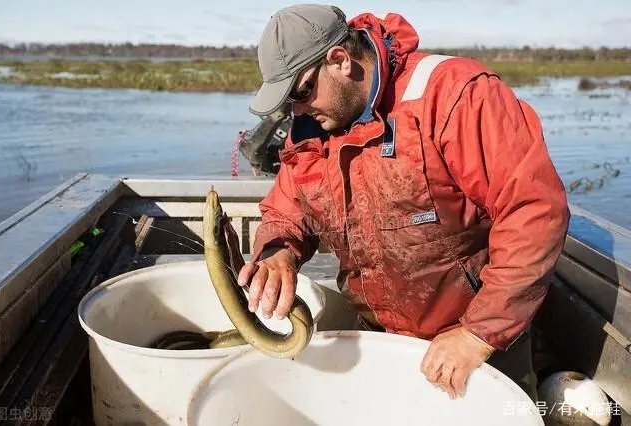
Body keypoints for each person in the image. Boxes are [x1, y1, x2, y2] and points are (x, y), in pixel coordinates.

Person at [238, 4, 570, 402]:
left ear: (340, 60)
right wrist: (279, 253)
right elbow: (286, 210)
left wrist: (476, 334)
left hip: (479, 345)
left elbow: (533, 211)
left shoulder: (454, 95)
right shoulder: (310, 130)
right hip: (380, 339)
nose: (297, 110)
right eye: (288, 101)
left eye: (302, 91)